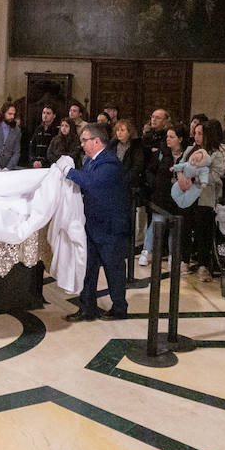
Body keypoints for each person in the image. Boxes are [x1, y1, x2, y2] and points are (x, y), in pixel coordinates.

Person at [64, 122, 131, 321]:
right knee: (88, 268)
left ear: (96, 141)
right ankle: (87, 308)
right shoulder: (90, 161)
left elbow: (90, 182)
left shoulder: (109, 162)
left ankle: (119, 308)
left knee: (114, 268)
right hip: (93, 224)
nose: (82, 144)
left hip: (110, 226)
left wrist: (67, 171)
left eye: (85, 140)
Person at [178, 119, 225, 277]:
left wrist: (198, 175)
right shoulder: (190, 150)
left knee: (203, 231)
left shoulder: (217, 152)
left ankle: (203, 264)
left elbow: (217, 174)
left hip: (205, 196)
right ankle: (184, 260)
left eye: (201, 134)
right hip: (188, 195)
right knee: (185, 229)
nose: (197, 136)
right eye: (196, 133)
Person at [141, 125, 187, 267]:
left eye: (172, 137)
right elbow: (149, 171)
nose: (168, 139)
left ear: (180, 139)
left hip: (179, 197)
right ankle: (146, 251)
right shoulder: (161, 154)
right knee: (156, 222)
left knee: (174, 226)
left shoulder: (187, 154)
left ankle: (173, 255)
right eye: (167, 136)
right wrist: (155, 184)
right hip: (161, 195)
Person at [108, 118, 146, 208]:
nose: (119, 133)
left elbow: (137, 166)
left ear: (129, 132)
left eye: (122, 130)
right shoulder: (112, 145)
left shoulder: (136, 146)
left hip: (128, 184)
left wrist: (124, 179)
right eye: (117, 130)